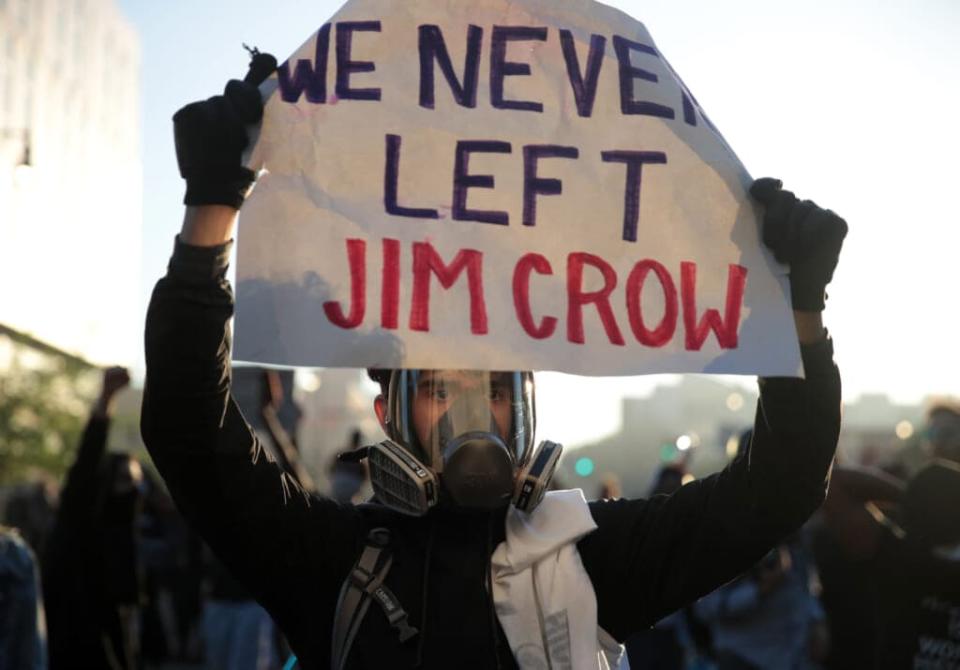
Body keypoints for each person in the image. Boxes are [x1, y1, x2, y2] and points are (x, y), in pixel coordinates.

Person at [141, 55, 846, 669]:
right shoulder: (332, 560)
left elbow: (781, 486)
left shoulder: (589, 555)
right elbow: (188, 431)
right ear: (388, 412)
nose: (475, 415)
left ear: (528, 406)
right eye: (442, 389)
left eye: (497, 393)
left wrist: (799, 318)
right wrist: (211, 214)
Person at [43, 366, 146, 670]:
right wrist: (105, 401)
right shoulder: (79, 527)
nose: (130, 487)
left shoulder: (120, 533)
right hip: (80, 619)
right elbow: (86, 465)